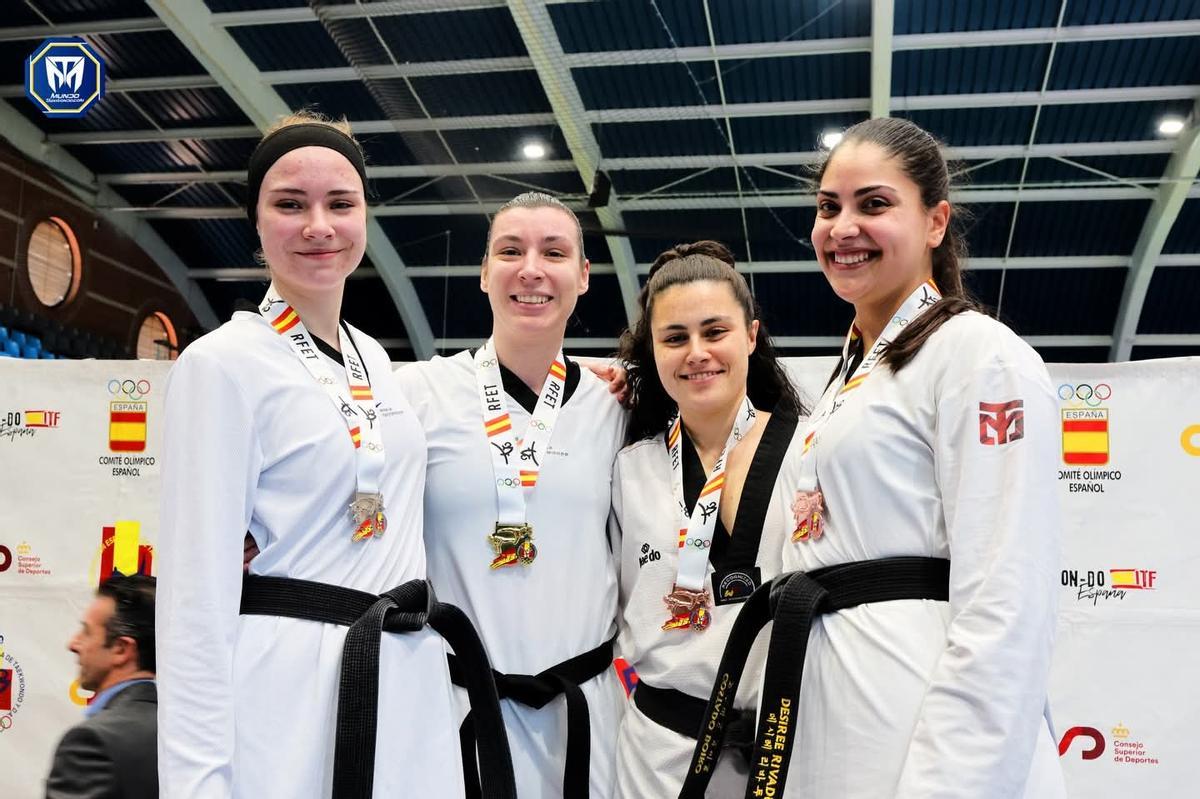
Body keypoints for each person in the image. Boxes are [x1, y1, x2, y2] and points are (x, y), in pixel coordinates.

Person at [680, 116, 1065, 798]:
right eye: (828, 207)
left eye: (874, 204)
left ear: (936, 222)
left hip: (916, 721)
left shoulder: (979, 354)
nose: (842, 227)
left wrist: (950, 784)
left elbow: (1006, 603)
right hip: (834, 714)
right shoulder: (852, 375)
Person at [157, 111, 509, 798]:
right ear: (256, 221)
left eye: (340, 204)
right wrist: (195, 783)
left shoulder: (373, 359)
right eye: (290, 204)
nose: (319, 226)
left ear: (364, 216)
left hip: (405, 679)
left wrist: (603, 376)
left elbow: (479, 394)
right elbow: (193, 601)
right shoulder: (221, 364)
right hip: (287, 690)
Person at [393, 192, 628, 798]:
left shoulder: (618, 406)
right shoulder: (418, 392)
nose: (531, 269)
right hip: (453, 711)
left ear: (583, 276)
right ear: (483, 273)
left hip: (583, 718)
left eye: (554, 253)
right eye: (510, 251)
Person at [609, 241, 806, 798]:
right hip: (660, 756)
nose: (697, 353)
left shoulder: (813, 449)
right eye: (675, 338)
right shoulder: (630, 469)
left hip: (788, 744)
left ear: (751, 335)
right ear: (652, 351)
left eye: (714, 332)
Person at [47, 574, 158, 799]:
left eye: (87, 632)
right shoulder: (187, 729)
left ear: (121, 649)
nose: (73, 644)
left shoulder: (91, 743)